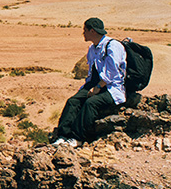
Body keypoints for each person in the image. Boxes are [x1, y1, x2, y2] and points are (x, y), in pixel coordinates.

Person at [51, 17, 126, 148]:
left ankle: (78, 138)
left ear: (92, 31)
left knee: (91, 103)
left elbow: (112, 73)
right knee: (73, 101)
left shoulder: (113, 46)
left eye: (85, 30)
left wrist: (98, 87)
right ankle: (63, 136)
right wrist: (87, 88)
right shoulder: (92, 48)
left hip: (111, 88)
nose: (83, 33)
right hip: (95, 85)